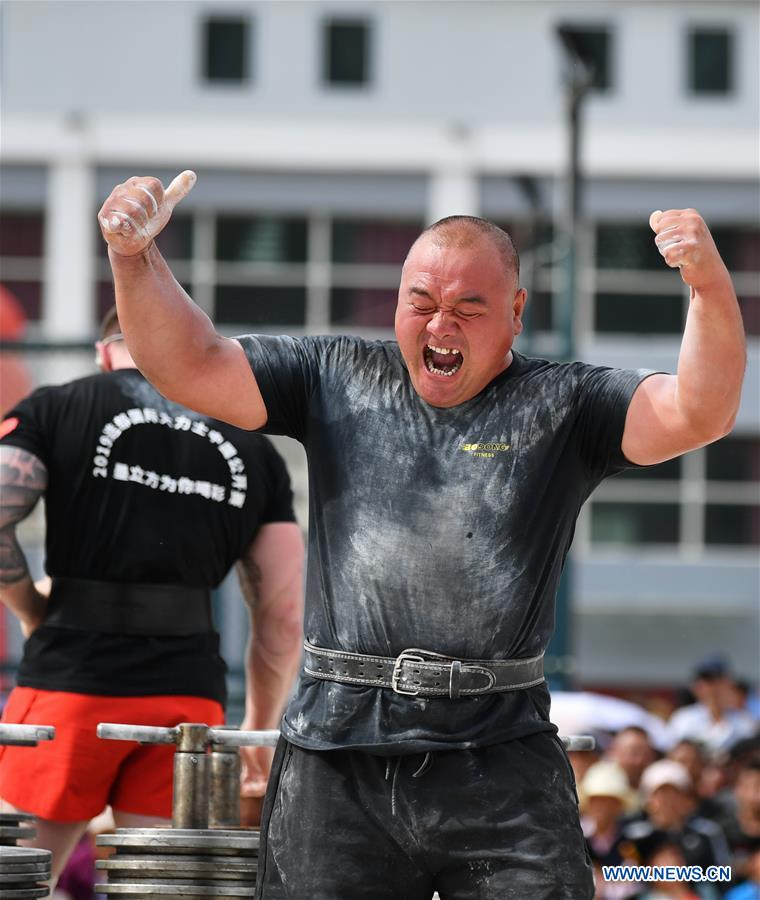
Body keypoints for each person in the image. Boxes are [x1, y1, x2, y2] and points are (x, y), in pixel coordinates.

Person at [96, 170, 746, 900]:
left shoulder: (567, 404)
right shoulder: (332, 376)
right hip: (337, 752)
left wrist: (707, 284)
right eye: (422, 303)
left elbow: (701, 411)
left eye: (469, 307)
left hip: (500, 754)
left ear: (516, 311)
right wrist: (134, 255)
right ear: (398, 301)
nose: (441, 326)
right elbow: (191, 363)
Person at [0, 306, 305, 884]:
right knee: (162, 890)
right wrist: (259, 727)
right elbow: (284, 616)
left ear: (102, 350)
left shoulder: (60, 407)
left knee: (19, 884)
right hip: (187, 704)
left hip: (70, 685)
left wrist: (31, 610)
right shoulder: (256, 448)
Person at [669, 656, 757, 755]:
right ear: (696, 686)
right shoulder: (683, 719)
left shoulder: (743, 723)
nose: (713, 688)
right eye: (707, 681)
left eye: (718, 681)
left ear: (729, 684)